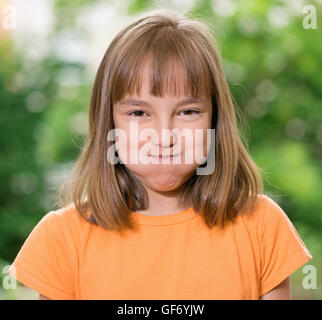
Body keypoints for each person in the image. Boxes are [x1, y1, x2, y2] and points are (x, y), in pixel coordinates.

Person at [8, 9, 312, 300]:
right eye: (139, 112)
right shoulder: (62, 238)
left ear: (214, 120)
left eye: (188, 111)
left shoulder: (261, 225)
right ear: (109, 120)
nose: (165, 136)